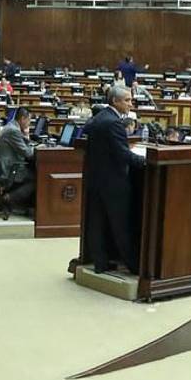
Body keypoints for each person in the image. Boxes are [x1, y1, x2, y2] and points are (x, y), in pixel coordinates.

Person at [81, 85, 146, 274]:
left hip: (95, 180)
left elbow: (88, 130)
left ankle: (100, 263)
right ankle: (133, 266)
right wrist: (146, 161)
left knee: (97, 223)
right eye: (127, 100)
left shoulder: (99, 118)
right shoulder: (114, 123)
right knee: (121, 225)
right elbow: (122, 155)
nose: (130, 104)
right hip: (113, 183)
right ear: (115, 101)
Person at [0, 107, 36, 216]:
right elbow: (28, 153)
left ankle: (20, 203)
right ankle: (10, 198)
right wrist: (28, 136)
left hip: (6, 165)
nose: (29, 123)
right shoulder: (13, 131)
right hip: (9, 169)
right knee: (37, 178)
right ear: (23, 118)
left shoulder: (11, 126)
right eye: (29, 120)